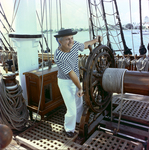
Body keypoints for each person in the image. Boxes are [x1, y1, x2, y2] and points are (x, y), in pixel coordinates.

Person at [54, 29, 100, 138]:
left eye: (72, 38)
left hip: (76, 79)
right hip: (65, 82)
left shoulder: (74, 45)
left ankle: (79, 121)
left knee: (79, 104)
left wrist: (95, 40)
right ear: (60, 41)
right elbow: (71, 74)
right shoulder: (59, 56)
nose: (71, 41)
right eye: (67, 39)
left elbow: (84, 45)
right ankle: (69, 128)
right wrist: (80, 88)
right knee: (72, 109)